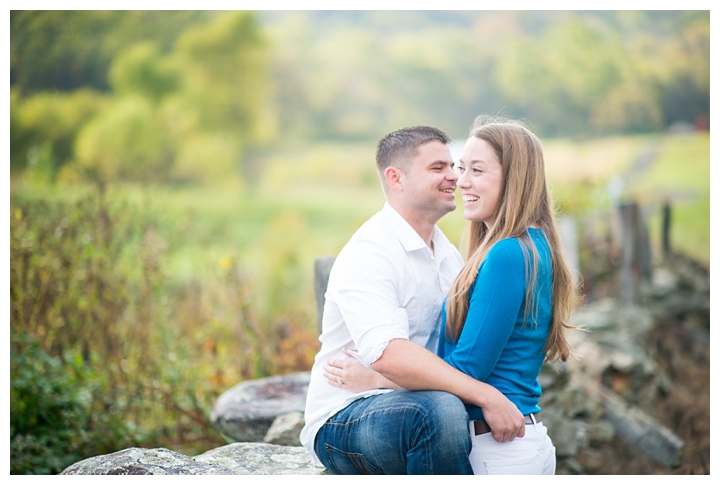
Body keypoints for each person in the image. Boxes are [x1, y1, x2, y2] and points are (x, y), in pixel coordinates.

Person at [323, 116, 579, 475]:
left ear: (515, 177)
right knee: (435, 411)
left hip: (497, 446)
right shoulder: (376, 251)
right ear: (395, 178)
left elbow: (467, 367)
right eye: (455, 168)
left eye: (475, 169)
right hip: (505, 441)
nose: (460, 180)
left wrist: (374, 378)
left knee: (436, 410)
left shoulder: (502, 255)